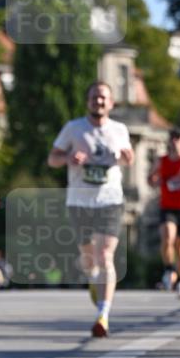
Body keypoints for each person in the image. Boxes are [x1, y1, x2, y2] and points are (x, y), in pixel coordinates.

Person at [48, 81, 134, 337]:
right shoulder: (73, 129)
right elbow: (52, 159)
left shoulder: (119, 129)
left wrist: (128, 157)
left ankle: (103, 315)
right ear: (88, 101)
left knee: (105, 254)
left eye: (103, 98)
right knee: (89, 259)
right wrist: (68, 159)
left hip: (110, 200)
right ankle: (93, 277)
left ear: (111, 103)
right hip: (79, 202)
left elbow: (129, 156)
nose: (99, 101)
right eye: (95, 97)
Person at [147, 127, 180, 301]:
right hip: (167, 206)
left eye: (178, 138)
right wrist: (154, 180)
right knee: (167, 238)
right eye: (172, 138)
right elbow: (150, 179)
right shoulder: (161, 161)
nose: (174, 141)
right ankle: (169, 269)